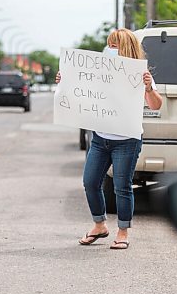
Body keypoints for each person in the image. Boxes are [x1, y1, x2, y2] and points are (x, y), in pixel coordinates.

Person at [56, 28, 162, 249]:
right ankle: (99, 224)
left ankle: (122, 232)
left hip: (127, 141)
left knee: (121, 186)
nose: (110, 49)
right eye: (109, 45)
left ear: (126, 48)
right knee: (90, 182)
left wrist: (149, 87)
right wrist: (65, 80)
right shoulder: (100, 71)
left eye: (114, 46)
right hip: (100, 138)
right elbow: (80, 90)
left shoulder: (139, 74)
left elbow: (156, 105)